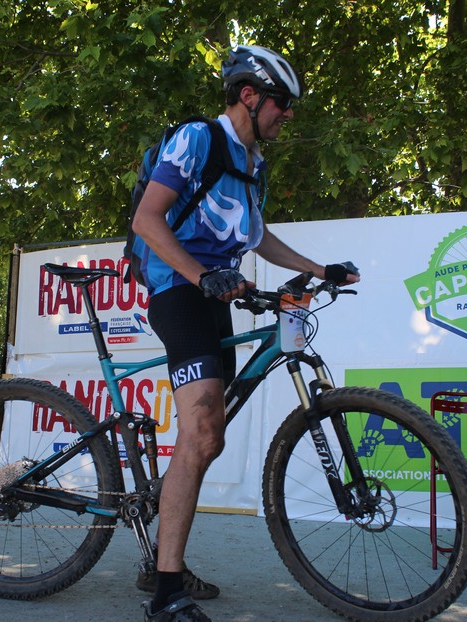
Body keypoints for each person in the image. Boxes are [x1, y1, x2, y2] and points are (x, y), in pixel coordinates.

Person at [132, 45, 360, 621]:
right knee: (202, 431)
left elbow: (258, 237)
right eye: (283, 102)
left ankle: (161, 556)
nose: (289, 114)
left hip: (213, 292)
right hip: (177, 286)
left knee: (208, 438)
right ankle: (166, 595)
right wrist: (201, 274)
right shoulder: (198, 139)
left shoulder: (253, 164)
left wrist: (320, 269)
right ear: (250, 96)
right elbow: (147, 219)